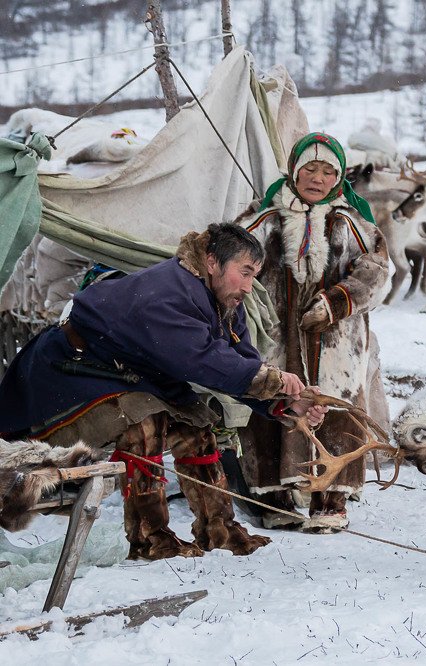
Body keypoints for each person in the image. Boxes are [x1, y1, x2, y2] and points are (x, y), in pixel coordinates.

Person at [0, 223, 327, 560]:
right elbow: (203, 360)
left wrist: (287, 403)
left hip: (135, 371)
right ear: (213, 261)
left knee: (196, 426)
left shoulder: (225, 302)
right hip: (72, 370)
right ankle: (150, 538)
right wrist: (272, 380)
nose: (248, 286)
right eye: (244, 272)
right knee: (145, 423)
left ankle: (218, 528)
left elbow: (240, 364)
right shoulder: (167, 291)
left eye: (253, 275)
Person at [236, 132, 390, 533]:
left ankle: (331, 497)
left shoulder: (349, 224)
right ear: (294, 171)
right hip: (275, 336)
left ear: (338, 178)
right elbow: (228, 253)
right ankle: (275, 497)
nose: (317, 178)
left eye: (327, 171)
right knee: (275, 401)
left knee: (335, 407)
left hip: (337, 341)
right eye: (310, 168)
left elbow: (376, 270)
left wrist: (336, 302)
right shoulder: (264, 219)